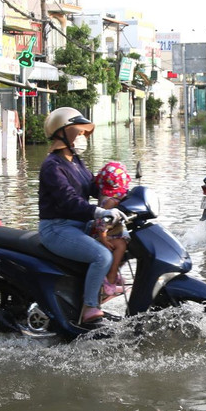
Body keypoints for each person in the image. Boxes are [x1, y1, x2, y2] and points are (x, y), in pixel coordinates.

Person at [37, 107, 126, 325]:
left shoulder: (75, 161)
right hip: (57, 228)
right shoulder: (52, 165)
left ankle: (105, 284)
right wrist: (99, 211)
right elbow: (68, 200)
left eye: (85, 134)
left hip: (80, 225)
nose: (83, 138)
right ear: (63, 134)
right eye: (79, 133)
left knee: (122, 240)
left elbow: (92, 186)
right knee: (101, 256)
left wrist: (119, 194)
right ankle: (89, 307)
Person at [91, 162, 131, 299]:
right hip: (104, 235)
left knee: (129, 241)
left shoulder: (106, 196)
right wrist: (103, 237)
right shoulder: (110, 201)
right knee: (121, 245)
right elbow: (103, 220)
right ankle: (111, 276)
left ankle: (114, 271)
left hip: (111, 233)